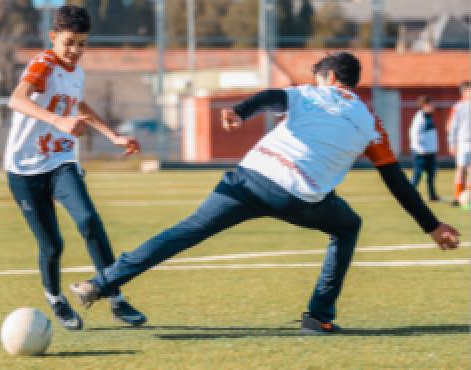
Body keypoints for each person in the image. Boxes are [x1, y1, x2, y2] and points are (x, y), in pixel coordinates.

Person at [70, 52, 462, 335]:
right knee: (347, 226)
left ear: (327, 76)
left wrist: (240, 112)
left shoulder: (310, 93)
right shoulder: (371, 122)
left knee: (183, 233)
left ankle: (99, 284)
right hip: (301, 198)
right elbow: (394, 180)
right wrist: (431, 225)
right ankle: (318, 316)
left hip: (250, 180)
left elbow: (273, 97)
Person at [6, 5, 146, 330]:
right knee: (52, 246)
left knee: (88, 220)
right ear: (53, 37)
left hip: (60, 162)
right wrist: (58, 120)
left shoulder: (76, 73)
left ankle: (114, 296)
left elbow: (77, 104)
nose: (75, 51)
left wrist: (112, 135)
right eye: (69, 42)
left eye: (82, 43)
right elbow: (16, 99)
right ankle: (55, 297)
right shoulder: (43, 64)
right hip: (24, 170)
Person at [410, 96, 441, 202]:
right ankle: (410, 194)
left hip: (430, 152)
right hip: (421, 153)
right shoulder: (420, 117)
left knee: (431, 174)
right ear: (424, 105)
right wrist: (421, 149)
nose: (433, 106)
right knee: (417, 174)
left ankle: (432, 195)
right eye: (430, 104)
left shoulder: (428, 117)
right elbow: (414, 134)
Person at [448, 83, 471, 205]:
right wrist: (452, 142)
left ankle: (468, 195)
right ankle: (457, 197)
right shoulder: (458, 107)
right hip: (463, 142)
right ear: (464, 92)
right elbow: (453, 126)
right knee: (460, 168)